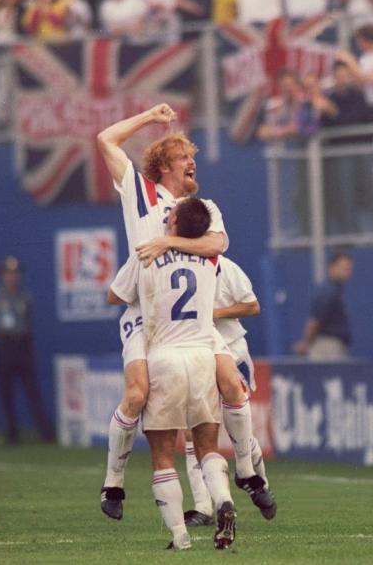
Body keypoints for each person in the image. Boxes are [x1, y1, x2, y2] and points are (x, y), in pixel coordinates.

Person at [95, 104, 272, 520]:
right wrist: (148, 118)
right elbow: (105, 139)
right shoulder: (140, 193)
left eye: (192, 156)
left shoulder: (204, 208)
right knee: (137, 395)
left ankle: (247, 471)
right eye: (183, 158)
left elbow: (218, 245)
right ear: (163, 167)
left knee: (232, 383)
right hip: (146, 314)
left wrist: (168, 244)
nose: (192, 162)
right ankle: (113, 484)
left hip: (190, 320)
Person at [108, 198, 238, 551]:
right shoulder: (212, 259)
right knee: (208, 446)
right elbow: (215, 242)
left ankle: (180, 537)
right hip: (202, 356)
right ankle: (223, 498)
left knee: (164, 456)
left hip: (164, 357)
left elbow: (114, 296)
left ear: (174, 220)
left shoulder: (146, 254)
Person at [184, 254, 270, 526]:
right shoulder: (177, 266)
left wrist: (215, 314)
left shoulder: (226, 266)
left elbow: (252, 305)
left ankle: (259, 483)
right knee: (191, 431)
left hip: (231, 350)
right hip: (198, 353)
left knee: (239, 433)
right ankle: (203, 507)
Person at [0, 256, 54, 445]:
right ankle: (12, 433)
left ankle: (46, 433)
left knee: (33, 391)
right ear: (2, 275)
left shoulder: (25, 296)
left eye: (15, 274)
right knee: (7, 394)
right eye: (8, 273)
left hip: (22, 345)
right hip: (4, 345)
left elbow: (28, 322)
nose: (12, 277)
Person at [293, 251, 353, 360]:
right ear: (332, 268)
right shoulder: (327, 291)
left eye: (349, 269)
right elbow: (314, 321)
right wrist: (306, 343)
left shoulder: (336, 290)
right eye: (344, 268)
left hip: (334, 345)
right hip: (326, 347)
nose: (347, 272)